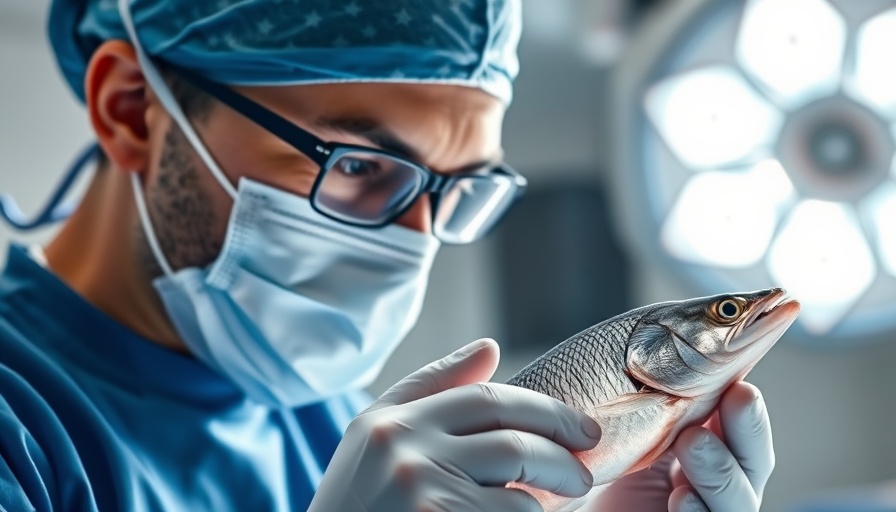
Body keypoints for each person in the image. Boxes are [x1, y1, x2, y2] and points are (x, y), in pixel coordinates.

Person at [0, 0, 775, 510]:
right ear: (131, 109)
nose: (414, 240)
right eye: (359, 166)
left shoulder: (345, 432)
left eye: (456, 191)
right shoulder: (23, 431)